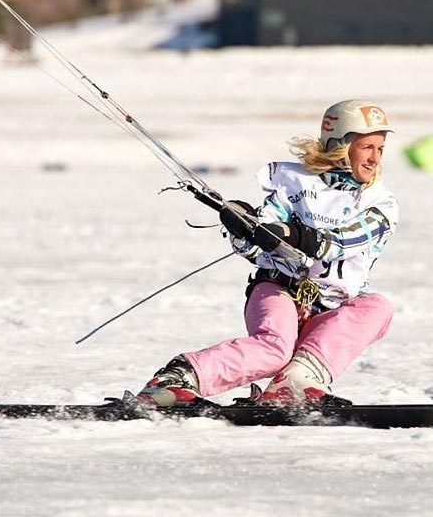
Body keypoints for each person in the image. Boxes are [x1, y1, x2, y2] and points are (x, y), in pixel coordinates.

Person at [136, 100, 398, 406]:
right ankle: (175, 380)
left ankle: (297, 381)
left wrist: (294, 234)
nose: (375, 158)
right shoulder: (293, 185)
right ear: (341, 145)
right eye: (367, 147)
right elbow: (253, 249)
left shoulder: (380, 203)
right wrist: (242, 226)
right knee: (274, 349)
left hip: (330, 312)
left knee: (378, 307)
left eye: (380, 149)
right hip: (279, 292)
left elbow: (342, 241)